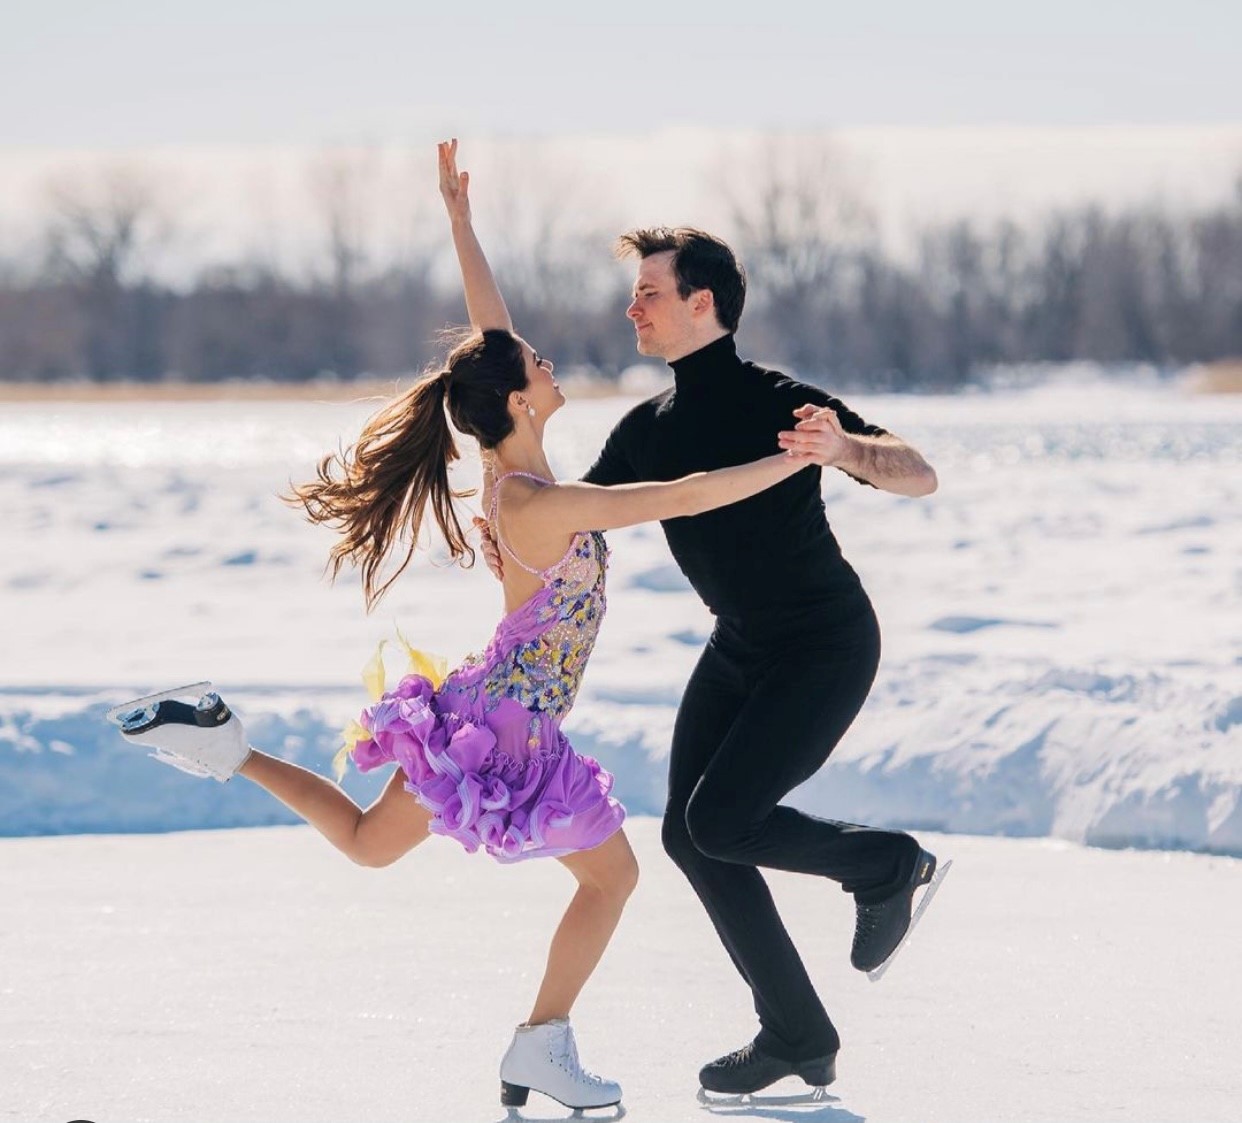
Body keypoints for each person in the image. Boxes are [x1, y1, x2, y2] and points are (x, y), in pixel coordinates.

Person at [110, 141, 814, 1114]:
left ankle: (227, 746)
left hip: (483, 704)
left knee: (366, 842)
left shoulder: (506, 465)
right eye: (536, 361)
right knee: (612, 879)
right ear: (522, 397)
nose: (547, 356)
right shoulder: (540, 502)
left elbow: (491, 336)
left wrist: (460, 224)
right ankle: (541, 1045)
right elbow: (687, 493)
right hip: (512, 723)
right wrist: (791, 461)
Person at [480, 225, 942, 1096]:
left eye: (649, 292)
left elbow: (917, 473)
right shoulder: (647, 429)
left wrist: (843, 447)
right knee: (690, 838)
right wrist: (508, 504)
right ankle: (797, 1031)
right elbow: (579, 515)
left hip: (824, 644)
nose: (632, 307)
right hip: (739, 647)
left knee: (722, 821)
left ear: (704, 303)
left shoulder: (783, 400)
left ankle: (885, 865)